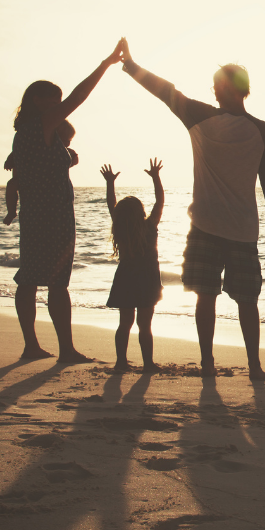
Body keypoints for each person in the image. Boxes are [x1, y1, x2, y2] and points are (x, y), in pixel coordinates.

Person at [119, 38, 265, 382]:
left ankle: (243, 365)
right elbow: (164, 90)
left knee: (236, 299)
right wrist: (132, 66)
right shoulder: (225, 121)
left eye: (218, 83)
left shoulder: (247, 127)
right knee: (222, 298)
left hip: (228, 229)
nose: (214, 88)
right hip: (221, 228)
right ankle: (216, 363)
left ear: (234, 88)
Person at [10, 41, 122, 362]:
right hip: (52, 217)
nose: (60, 106)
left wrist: (66, 158)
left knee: (30, 279)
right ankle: (66, 351)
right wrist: (106, 63)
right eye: (54, 101)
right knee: (57, 283)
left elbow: (34, 168)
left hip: (34, 215)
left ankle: (32, 346)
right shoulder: (41, 124)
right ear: (37, 101)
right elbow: (79, 97)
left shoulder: (26, 133)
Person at [100, 158, 164, 373]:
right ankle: (148, 364)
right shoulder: (149, 226)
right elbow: (160, 202)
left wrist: (110, 183)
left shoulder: (120, 229)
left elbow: (111, 205)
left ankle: (120, 362)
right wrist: (156, 178)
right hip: (147, 282)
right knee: (145, 326)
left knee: (125, 323)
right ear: (141, 212)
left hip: (125, 279)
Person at [3, 120, 77, 226]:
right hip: (27, 176)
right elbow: (16, 152)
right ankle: (11, 212)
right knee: (11, 185)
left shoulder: (66, 151)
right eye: (64, 140)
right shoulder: (37, 145)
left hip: (44, 184)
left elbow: (74, 158)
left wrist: (69, 162)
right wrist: (9, 161)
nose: (67, 144)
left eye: (69, 141)